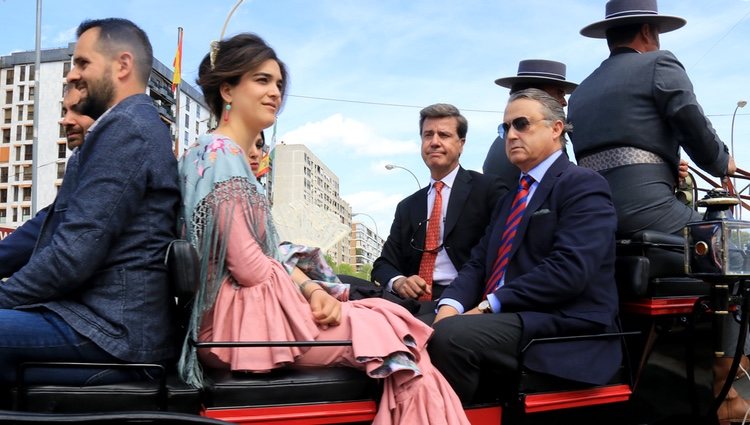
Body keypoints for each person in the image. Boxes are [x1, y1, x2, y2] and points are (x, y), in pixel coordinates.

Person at [177, 33, 468, 425]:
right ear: (227, 88)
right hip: (242, 325)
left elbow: (262, 256)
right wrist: (311, 298)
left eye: (279, 83)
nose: (275, 92)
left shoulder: (216, 154)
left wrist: (314, 290)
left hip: (243, 315)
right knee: (398, 335)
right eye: (261, 80)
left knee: (390, 326)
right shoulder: (221, 154)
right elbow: (249, 264)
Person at [567, 1, 743, 421]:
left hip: (598, 225)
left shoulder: (583, 91)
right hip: (652, 216)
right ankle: (729, 385)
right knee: (737, 250)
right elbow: (692, 123)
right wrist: (723, 163)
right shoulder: (660, 64)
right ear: (648, 32)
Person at [0, 18, 180, 385]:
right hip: (95, 318)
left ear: (122, 65)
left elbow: (73, 253)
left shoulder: (127, 127)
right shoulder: (118, 129)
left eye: (82, 63)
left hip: (114, 331)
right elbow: (49, 223)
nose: (71, 75)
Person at [428, 88, 621, 403]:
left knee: (451, 336)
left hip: (564, 324)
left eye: (522, 124)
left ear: (556, 128)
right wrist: (450, 306)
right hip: (511, 316)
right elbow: (479, 263)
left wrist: (487, 306)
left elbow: (568, 270)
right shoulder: (511, 198)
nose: (511, 134)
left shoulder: (583, 185)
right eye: (506, 128)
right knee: (412, 322)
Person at [371, 104, 504, 321]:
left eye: (443, 135)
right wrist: (400, 282)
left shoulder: (488, 190)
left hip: (464, 301)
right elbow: (383, 264)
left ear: (461, 144)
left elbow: (500, 254)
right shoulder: (407, 206)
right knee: (344, 288)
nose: (434, 142)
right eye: (427, 135)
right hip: (412, 303)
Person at [0, 85, 94, 278]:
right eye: (65, 111)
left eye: (79, 111)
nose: (65, 120)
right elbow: (50, 222)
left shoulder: (106, 161)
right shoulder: (81, 159)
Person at [482, 59, 578, 192]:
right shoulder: (538, 145)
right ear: (537, 95)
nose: (564, 102)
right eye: (559, 93)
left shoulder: (503, 142)